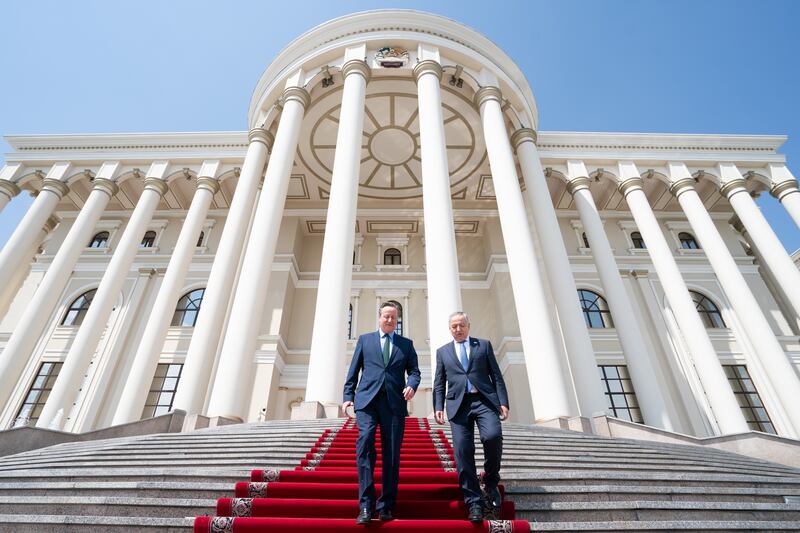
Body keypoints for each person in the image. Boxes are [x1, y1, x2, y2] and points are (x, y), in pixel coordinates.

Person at [342, 301, 420, 524]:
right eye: (386, 316)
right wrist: (348, 396)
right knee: (365, 444)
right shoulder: (365, 340)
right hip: (367, 401)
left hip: (394, 404)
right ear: (379, 317)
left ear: (397, 320)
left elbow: (414, 371)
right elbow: (354, 369)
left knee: (392, 453)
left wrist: (412, 385)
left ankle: (386, 505)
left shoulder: (406, 344)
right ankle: (366, 506)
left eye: (393, 317)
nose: (389, 320)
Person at [433, 311, 509, 522]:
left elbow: (496, 375)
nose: (458, 329)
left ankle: (491, 482)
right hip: (458, 404)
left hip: (484, 401)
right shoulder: (443, 352)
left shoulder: (482, 345)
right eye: (454, 326)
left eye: (461, 325)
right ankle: (473, 502)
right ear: (450, 329)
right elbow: (439, 382)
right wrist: (438, 405)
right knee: (462, 451)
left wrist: (503, 401)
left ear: (468, 326)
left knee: (492, 436)